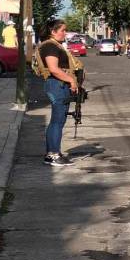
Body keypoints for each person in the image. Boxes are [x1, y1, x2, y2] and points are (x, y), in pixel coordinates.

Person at [38, 19, 78, 166]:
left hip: (59, 85)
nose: (65, 33)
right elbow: (54, 69)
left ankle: (52, 153)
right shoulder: (50, 46)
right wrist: (71, 80)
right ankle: (53, 154)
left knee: (57, 120)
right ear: (53, 32)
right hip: (57, 85)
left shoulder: (54, 45)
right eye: (62, 30)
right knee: (58, 120)